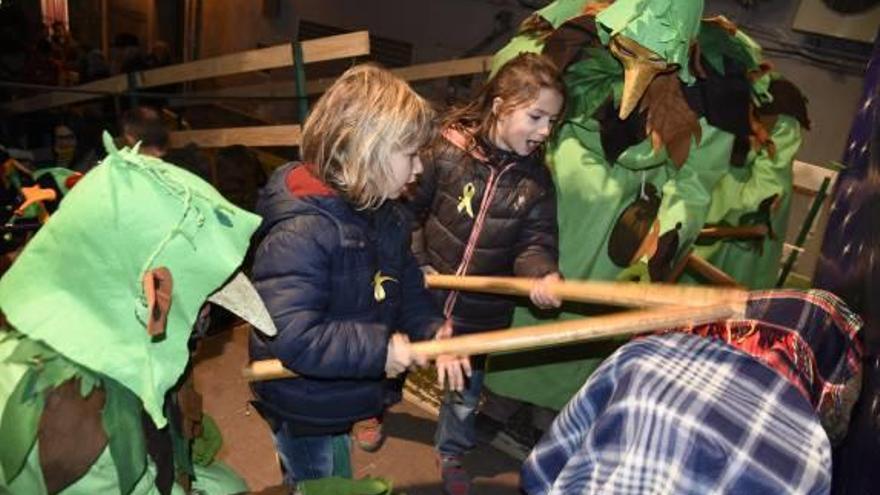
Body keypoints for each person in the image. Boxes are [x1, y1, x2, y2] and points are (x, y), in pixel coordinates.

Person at [248, 63, 468, 487]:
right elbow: (291, 335)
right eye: (409, 156)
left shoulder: (385, 215)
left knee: (336, 467)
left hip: (340, 389)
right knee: (319, 480)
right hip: (303, 401)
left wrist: (434, 330)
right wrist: (378, 350)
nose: (419, 170)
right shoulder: (301, 232)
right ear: (362, 152)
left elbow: (405, 288)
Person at [404, 52, 564, 495]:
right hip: (419, 293)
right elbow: (407, 212)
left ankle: (451, 450)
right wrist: (417, 262)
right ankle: (370, 411)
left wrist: (542, 275)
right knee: (393, 360)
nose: (545, 131)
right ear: (499, 103)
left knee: (463, 393)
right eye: (535, 116)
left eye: (552, 121)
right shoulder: (446, 149)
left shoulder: (536, 183)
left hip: (479, 313)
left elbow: (534, 243)